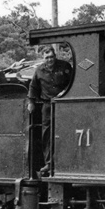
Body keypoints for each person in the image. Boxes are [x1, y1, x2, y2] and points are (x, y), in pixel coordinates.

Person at [27, 46, 73, 174]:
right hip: (47, 105)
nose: (50, 60)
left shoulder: (65, 66)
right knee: (47, 134)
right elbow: (33, 87)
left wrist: (64, 92)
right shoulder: (39, 70)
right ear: (43, 58)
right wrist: (31, 102)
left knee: (66, 132)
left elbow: (73, 82)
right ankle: (49, 163)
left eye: (51, 57)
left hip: (64, 104)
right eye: (47, 58)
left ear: (55, 56)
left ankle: (66, 162)